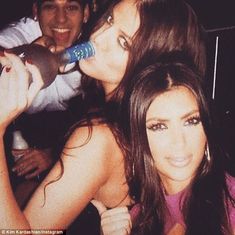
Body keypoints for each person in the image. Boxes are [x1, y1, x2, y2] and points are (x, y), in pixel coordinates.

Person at [0, 0, 207, 232]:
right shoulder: (141, 123)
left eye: (122, 42)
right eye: (109, 20)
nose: (98, 38)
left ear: (149, 64)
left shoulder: (98, 139)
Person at [95, 53, 235, 235]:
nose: (179, 142)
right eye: (159, 126)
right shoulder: (139, 217)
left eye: (191, 121)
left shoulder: (229, 206)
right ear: (138, 138)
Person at [0, 0, 91, 200]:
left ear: (85, 13)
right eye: (50, 6)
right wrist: (27, 54)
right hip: (19, 130)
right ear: (36, 11)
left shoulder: (96, 45)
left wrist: (55, 154)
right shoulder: (20, 34)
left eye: (71, 7)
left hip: (72, 137)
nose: (61, 18)